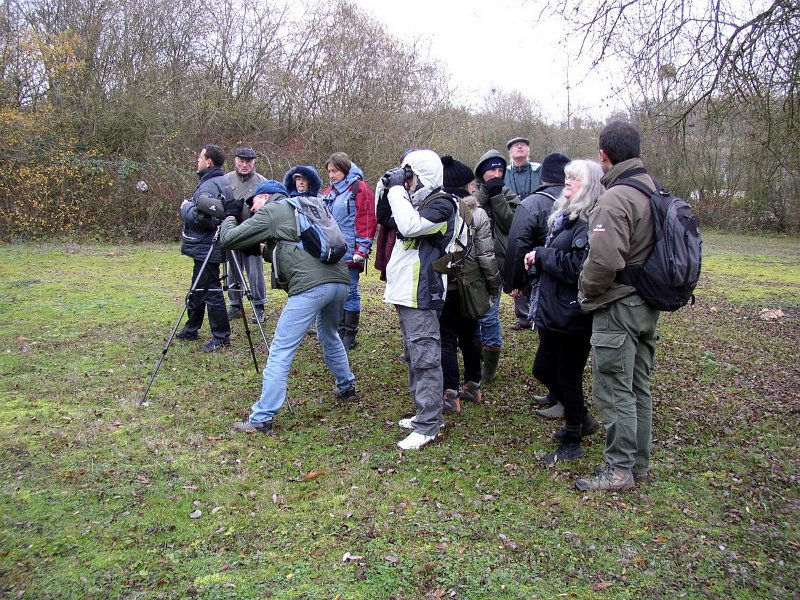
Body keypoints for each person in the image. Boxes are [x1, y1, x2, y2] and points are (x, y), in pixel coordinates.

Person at [220, 181, 357, 434]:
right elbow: (299, 247)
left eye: (254, 202)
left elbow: (228, 239)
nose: (251, 208)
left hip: (311, 287)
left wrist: (228, 214)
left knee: (281, 348)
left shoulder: (273, 210)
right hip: (339, 281)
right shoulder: (305, 206)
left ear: (266, 196)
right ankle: (347, 385)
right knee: (330, 334)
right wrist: (264, 250)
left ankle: (262, 417)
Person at [575, 122, 659, 491]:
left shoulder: (616, 197)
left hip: (619, 306)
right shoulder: (652, 190)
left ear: (603, 154)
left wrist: (586, 292)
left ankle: (620, 470)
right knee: (638, 385)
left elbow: (605, 261)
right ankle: (637, 465)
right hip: (646, 303)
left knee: (613, 387)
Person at [523, 159, 604, 465]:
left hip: (574, 312)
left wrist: (543, 255)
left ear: (590, 186)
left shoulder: (590, 221)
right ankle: (580, 418)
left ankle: (572, 439)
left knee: (568, 377)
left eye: (575, 180)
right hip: (556, 309)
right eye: (568, 178)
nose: (567, 183)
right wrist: (538, 259)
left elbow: (578, 269)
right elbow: (561, 257)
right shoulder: (568, 217)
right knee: (543, 369)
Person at [379, 149, 457, 450]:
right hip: (407, 291)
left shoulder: (442, 205)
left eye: (409, 173)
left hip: (423, 292)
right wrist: (388, 186)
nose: (406, 181)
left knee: (425, 358)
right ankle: (423, 413)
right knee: (414, 355)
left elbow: (410, 226)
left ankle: (429, 424)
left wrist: (398, 187)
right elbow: (384, 217)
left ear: (423, 174)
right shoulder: (415, 202)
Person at [438, 155, 500, 412]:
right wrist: (493, 285)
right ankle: (472, 385)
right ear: (466, 185)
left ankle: (450, 393)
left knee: (446, 339)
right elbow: (487, 255)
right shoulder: (478, 213)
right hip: (471, 284)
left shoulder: (434, 209)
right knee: (470, 334)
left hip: (443, 284)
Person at [176, 144, 235, 353]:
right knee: (198, 285)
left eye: (199, 157)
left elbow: (203, 220)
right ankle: (191, 328)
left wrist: (186, 208)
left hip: (208, 245)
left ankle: (221, 337)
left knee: (211, 290)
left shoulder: (209, 185)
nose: (197, 161)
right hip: (208, 245)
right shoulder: (222, 181)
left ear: (208, 161)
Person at [505, 152, 571, 333]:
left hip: (543, 278)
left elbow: (518, 244)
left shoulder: (531, 204)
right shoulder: (586, 201)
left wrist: (514, 282)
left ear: (543, 176)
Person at [472, 150, 521, 383]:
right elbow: (465, 216)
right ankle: (477, 356)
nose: (496, 174)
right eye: (492, 169)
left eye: (501, 170)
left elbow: (512, 224)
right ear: (482, 171)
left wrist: (497, 196)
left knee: (489, 316)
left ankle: (488, 369)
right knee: (472, 314)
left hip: (497, 264)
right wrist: (483, 194)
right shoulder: (471, 193)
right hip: (471, 264)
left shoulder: (509, 194)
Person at [321, 152, 377, 350]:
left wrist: (362, 249)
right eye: (329, 171)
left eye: (334, 171)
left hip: (351, 250)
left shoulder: (359, 188)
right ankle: (338, 329)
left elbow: (367, 219)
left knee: (351, 290)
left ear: (344, 169)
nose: (331, 175)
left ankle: (350, 333)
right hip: (332, 250)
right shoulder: (330, 191)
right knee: (335, 291)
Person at [225, 147, 267, 324]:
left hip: (253, 234)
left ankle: (259, 306)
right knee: (232, 270)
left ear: (254, 163)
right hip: (232, 233)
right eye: (241, 161)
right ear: (235, 161)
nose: (244, 165)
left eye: (248, 162)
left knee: (254, 272)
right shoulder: (226, 180)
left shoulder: (261, 182)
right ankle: (235, 304)